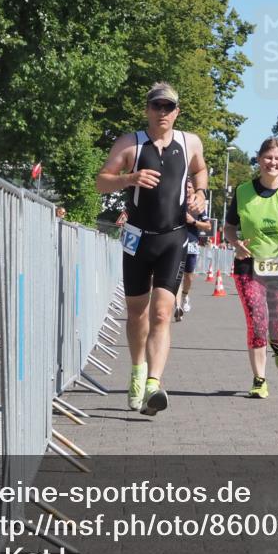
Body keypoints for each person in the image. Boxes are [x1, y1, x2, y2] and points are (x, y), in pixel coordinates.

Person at [95, 82, 208, 417]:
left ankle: (154, 384)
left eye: (169, 107)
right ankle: (137, 370)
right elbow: (101, 181)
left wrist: (201, 193)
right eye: (157, 106)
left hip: (173, 237)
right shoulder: (131, 143)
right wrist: (128, 179)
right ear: (147, 109)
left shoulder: (190, 143)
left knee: (162, 312)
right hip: (137, 238)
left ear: (177, 112)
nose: (163, 113)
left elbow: (201, 170)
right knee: (137, 314)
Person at [223, 138, 278, 399]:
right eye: (268, 157)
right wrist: (235, 243)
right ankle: (259, 379)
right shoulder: (242, 192)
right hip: (248, 264)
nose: (272, 162)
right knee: (257, 321)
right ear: (259, 159)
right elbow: (228, 227)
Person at [175, 177, 212, 321]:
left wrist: (193, 221)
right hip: (175, 242)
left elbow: (208, 226)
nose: (187, 189)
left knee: (188, 275)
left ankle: (184, 296)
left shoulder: (198, 206)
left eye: (190, 187)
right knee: (176, 274)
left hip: (191, 242)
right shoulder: (175, 202)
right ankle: (177, 306)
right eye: (185, 186)